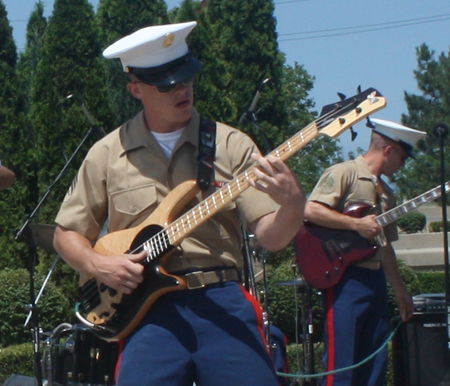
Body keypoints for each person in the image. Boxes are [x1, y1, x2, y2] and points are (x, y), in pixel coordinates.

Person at [53, 21, 305, 386]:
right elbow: (66, 235)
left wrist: (293, 204)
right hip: (147, 313)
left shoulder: (231, 144)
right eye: (166, 84)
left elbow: (273, 237)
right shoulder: (107, 153)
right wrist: (98, 264)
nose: (181, 89)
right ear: (136, 88)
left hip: (221, 299)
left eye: (186, 78)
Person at [303, 118, 426, 386]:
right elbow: (311, 210)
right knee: (341, 365)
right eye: (403, 157)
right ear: (389, 150)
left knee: (375, 366)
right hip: (345, 280)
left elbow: (386, 247)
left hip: (375, 280)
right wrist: (355, 224)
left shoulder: (387, 195)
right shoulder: (344, 173)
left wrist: (400, 291)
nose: (403, 165)